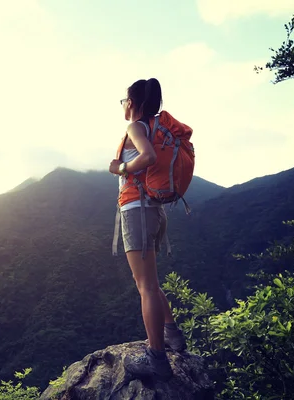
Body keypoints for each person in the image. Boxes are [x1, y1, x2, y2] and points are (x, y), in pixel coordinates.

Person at [108, 78, 187, 381]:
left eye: (125, 100)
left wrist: (122, 168)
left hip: (137, 210)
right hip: (154, 211)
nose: (124, 105)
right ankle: (172, 335)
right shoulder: (157, 127)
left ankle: (157, 358)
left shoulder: (136, 127)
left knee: (146, 287)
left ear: (134, 103)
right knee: (149, 282)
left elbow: (149, 158)